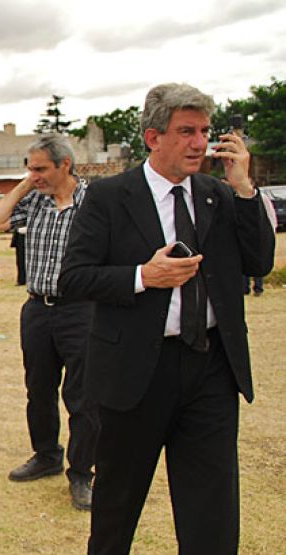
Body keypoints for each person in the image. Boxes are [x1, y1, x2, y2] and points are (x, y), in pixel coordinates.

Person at [59, 83, 275, 554]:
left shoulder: (219, 194)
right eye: (186, 131)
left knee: (212, 511)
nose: (200, 142)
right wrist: (143, 276)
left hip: (211, 369)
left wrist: (244, 188)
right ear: (153, 137)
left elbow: (259, 261)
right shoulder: (110, 197)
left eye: (204, 131)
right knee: (117, 507)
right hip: (136, 373)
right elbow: (73, 278)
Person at [0, 135, 98, 511]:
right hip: (37, 309)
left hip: (82, 309)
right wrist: (24, 184)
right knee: (39, 388)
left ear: (65, 165)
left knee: (83, 396)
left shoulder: (94, 202)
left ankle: (81, 472)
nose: (34, 176)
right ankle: (46, 454)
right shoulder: (33, 199)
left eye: (40, 168)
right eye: (30, 168)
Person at [242, 184, 278, 296]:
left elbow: (270, 214)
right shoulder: (238, 197)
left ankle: (258, 288)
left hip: (260, 234)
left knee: (258, 262)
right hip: (246, 234)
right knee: (244, 261)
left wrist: (271, 230)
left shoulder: (262, 198)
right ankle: (245, 288)